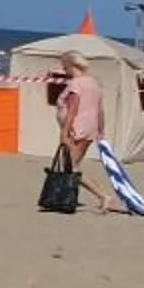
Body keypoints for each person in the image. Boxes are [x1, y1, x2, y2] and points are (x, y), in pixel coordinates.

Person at [56, 51, 115, 213]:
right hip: (89, 127)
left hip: (76, 128)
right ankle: (69, 196)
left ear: (71, 66)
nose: (64, 70)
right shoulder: (94, 83)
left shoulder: (76, 84)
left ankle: (102, 196)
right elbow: (100, 110)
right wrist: (100, 130)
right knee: (72, 165)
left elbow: (72, 110)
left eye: (65, 67)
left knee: (72, 167)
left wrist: (64, 132)